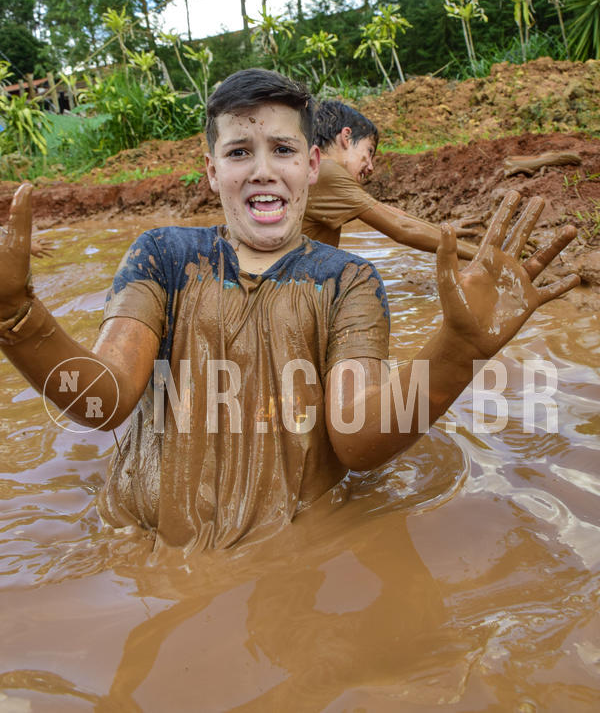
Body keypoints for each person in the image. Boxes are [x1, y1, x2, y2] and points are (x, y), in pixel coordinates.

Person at [0, 68, 579, 554]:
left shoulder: (350, 281)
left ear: (311, 164)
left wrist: (456, 352)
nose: (261, 169)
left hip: (287, 539)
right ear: (212, 172)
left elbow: (354, 440)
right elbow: (104, 402)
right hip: (138, 540)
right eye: (238, 152)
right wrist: (18, 319)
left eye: (282, 149)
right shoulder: (161, 256)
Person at [303, 99, 478, 258]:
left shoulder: (315, 171)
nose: (371, 167)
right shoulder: (326, 171)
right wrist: (485, 257)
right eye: (369, 151)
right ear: (346, 137)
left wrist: (443, 232)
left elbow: (390, 214)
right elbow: (401, 229)